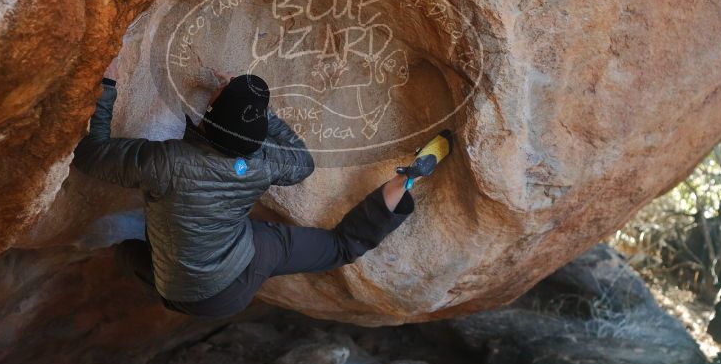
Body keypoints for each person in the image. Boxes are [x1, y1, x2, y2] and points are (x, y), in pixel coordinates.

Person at [73, 72, 452, 318]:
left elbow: (91, 156)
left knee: (126, 251)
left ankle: (129, 246)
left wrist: (103, 95)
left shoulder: (166, 161)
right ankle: (403, 182)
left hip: (181, 291)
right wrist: (264, 117)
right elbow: (302, 163)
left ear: (208, 119)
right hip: (242, 272)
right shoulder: (263, 163)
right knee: (341, 247)